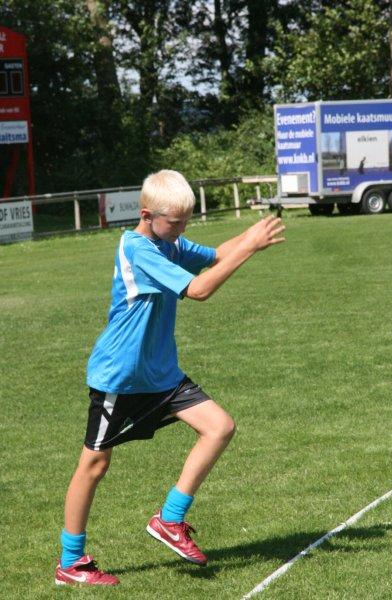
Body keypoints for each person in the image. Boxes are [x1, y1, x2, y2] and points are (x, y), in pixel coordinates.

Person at [55, 170, 285, 586]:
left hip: (162, 374)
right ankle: (71, 563)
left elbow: (215, 256)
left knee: (219, 427)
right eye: (175, 222)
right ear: (147, 215)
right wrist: (249, 248)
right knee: (94, 464)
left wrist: (248, 237)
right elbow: (198, 290)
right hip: (121, 376)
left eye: (185, 222)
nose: (181, 230)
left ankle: (169, 519)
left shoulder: (169, 242)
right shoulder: (137, 248)